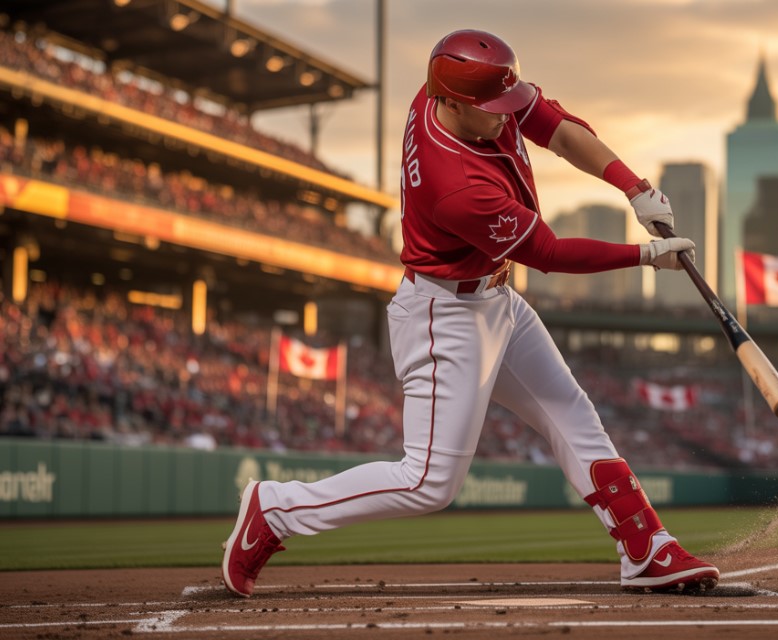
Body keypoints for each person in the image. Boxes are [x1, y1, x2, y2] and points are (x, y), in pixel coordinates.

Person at [222, 28, 717, 597]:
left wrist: (633, 187)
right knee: (429, 482)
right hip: (444, 316)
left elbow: (557, 130)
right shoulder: (454, 183)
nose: (504, 117)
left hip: (496, 297)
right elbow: (549, 253)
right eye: (490, 109)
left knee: (572, 413)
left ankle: (645, 546)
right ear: (450, 102)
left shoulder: (457, 87)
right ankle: (275, 509)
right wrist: (645, 256)